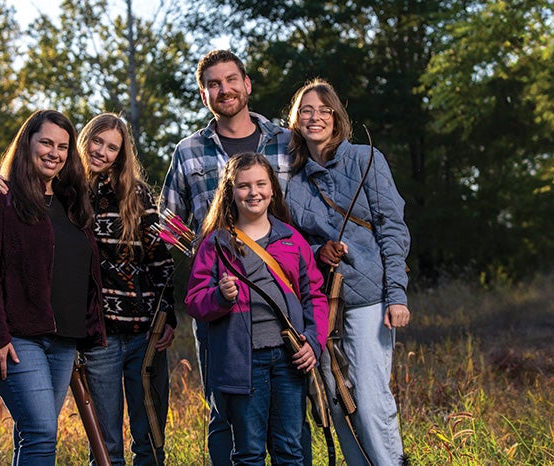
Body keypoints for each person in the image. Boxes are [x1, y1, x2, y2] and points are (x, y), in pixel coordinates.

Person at [0, 113, 177, 465]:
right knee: (95, 438)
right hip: (92, 333)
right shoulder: (67, 193)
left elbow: (158, 257)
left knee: (148, 434)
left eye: (112, 147)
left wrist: (169, 314)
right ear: (83, 143)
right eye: (97, 141)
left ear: (122, 153)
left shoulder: (124, 195)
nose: (102, 151)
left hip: (130, 328)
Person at [160, 49, 302, 466]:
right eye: (214, 84)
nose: (224, 90)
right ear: (204, 95)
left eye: (231, 80)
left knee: (292, 414)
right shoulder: (188, 151)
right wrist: (207, 253)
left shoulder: (286, 141)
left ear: (247, 84)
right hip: (222, 304)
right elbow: (168, 225)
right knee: (225, 409)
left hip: (285, 296)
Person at [0, 109, 105, 466]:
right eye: (46, 142)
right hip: (16, 338)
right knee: (42, 432)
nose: (54, 153)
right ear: (27, 143)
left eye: (62, 146)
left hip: (63, 340)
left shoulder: (72, 203)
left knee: (34, 432)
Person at [282, 79, 412, 465]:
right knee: (336, 400)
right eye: (306, 110)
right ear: (296, 121)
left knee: (371, 399)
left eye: (324, 110)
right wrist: (320, 251)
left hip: (369, 299)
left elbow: (392, 227)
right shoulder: (295, 186)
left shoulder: (365, 159)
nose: (315, 116)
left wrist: (397, 296)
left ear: (337, 119)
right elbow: (295, 245)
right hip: (323, 306)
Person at [184, 152, 327, 465]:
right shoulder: (216, 243)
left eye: (261, 184)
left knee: (290, 449)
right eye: (244, 186)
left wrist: (314, 341)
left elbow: (314, 295)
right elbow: (195, 300)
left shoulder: (292, 239)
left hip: (290, 358)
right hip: (243, 362)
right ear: (231, 192)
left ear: (272, 189)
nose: (254, 192)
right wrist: (220, 297)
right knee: (248, 452)